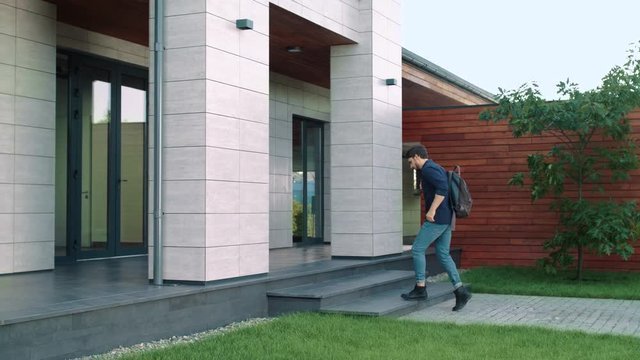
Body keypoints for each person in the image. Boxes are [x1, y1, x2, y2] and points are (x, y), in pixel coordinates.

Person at [402, 144, 471, 311]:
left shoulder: (428, 169)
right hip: (446, 218)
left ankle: (420, 288)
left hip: (437, 219)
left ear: (417, 157)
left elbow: (442, 189)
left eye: (411, 162)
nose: (411, 165)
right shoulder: (434, 168)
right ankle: (460, 290)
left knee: (417, 249)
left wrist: (431, 211)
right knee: (443, 254)